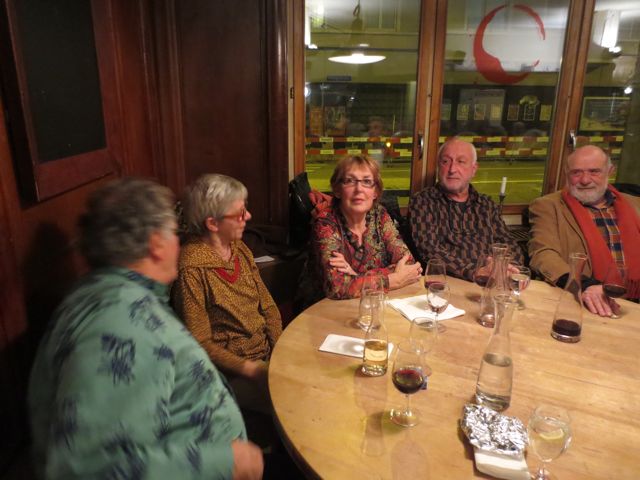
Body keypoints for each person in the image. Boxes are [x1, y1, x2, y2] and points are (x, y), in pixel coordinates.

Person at [28, 178, 263, 479]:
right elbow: (86, 469)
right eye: (174, 233)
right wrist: (227, 462)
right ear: (156, 244)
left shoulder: (117, 297)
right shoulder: (117, 322)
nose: (179, 242)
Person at [172, 174, 281, 413]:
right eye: (240, 213)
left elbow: (268, 306)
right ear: (213, 224)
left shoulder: (238, 248)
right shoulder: (192, 268)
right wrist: (252, 370)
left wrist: (279, 350)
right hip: (230, 373)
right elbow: (200, 342)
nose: (248, 216)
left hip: (266, 356)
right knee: (294, 402)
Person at [528, 145, 640, 317]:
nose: (585, 180)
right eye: (576, 173)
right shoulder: (548, 206)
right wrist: (584, 284)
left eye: (594, 171)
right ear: (566, 174)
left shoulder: (635, 204)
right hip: (587, 302)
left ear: (610, 171)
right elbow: (543, 254)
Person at [299, 154, 422, 307]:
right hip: (322, 309)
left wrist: (356, 276)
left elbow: (409, 264)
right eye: (350, 181)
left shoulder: (380, 215)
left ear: (375, 191)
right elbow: (337, 287)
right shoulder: (325, 223)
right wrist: (393, 279)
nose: (359, 189)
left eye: (367, 182)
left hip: (370, 304)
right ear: (337, 190)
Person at [408, 138, 523, 280]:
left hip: (494, 280)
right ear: (438, 166)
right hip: (448, 283)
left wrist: (507, 268)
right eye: (445, 162)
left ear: (473, 169)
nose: (452, 169)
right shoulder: (423, 202)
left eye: (461, 162)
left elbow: (509, 244)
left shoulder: (486, 205)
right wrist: (477, 272)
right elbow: (430, 250)